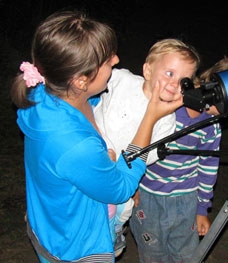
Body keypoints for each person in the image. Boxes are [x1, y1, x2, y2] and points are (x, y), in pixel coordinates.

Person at [10, 10, 182, 263]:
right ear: (80, 81)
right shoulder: (74, 144)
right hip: (76, 250)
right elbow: (121, 188)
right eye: (106, 59)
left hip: (49, 223)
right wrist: (150, 117)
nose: (116, 59)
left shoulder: (44, 96)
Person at [129, 53, 228, 263]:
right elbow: (135, 141)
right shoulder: (169, 104)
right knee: (152, 254)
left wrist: (201, 208)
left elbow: (208, 168)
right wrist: (131, 185)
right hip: (148, 197)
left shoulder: (212, 125)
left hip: (185, 200)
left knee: (186, 256)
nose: (226, 114)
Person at [93, 38, 201, 257]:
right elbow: (92, 88)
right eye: (169, 74)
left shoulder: (167, 122)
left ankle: (110, 236)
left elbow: (146, 157)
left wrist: (119, 162)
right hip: (92, 159)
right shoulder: (122, 79)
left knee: (116, 214)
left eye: (184, 81)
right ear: (148, 70)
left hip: (121, 177)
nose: (174, 84)